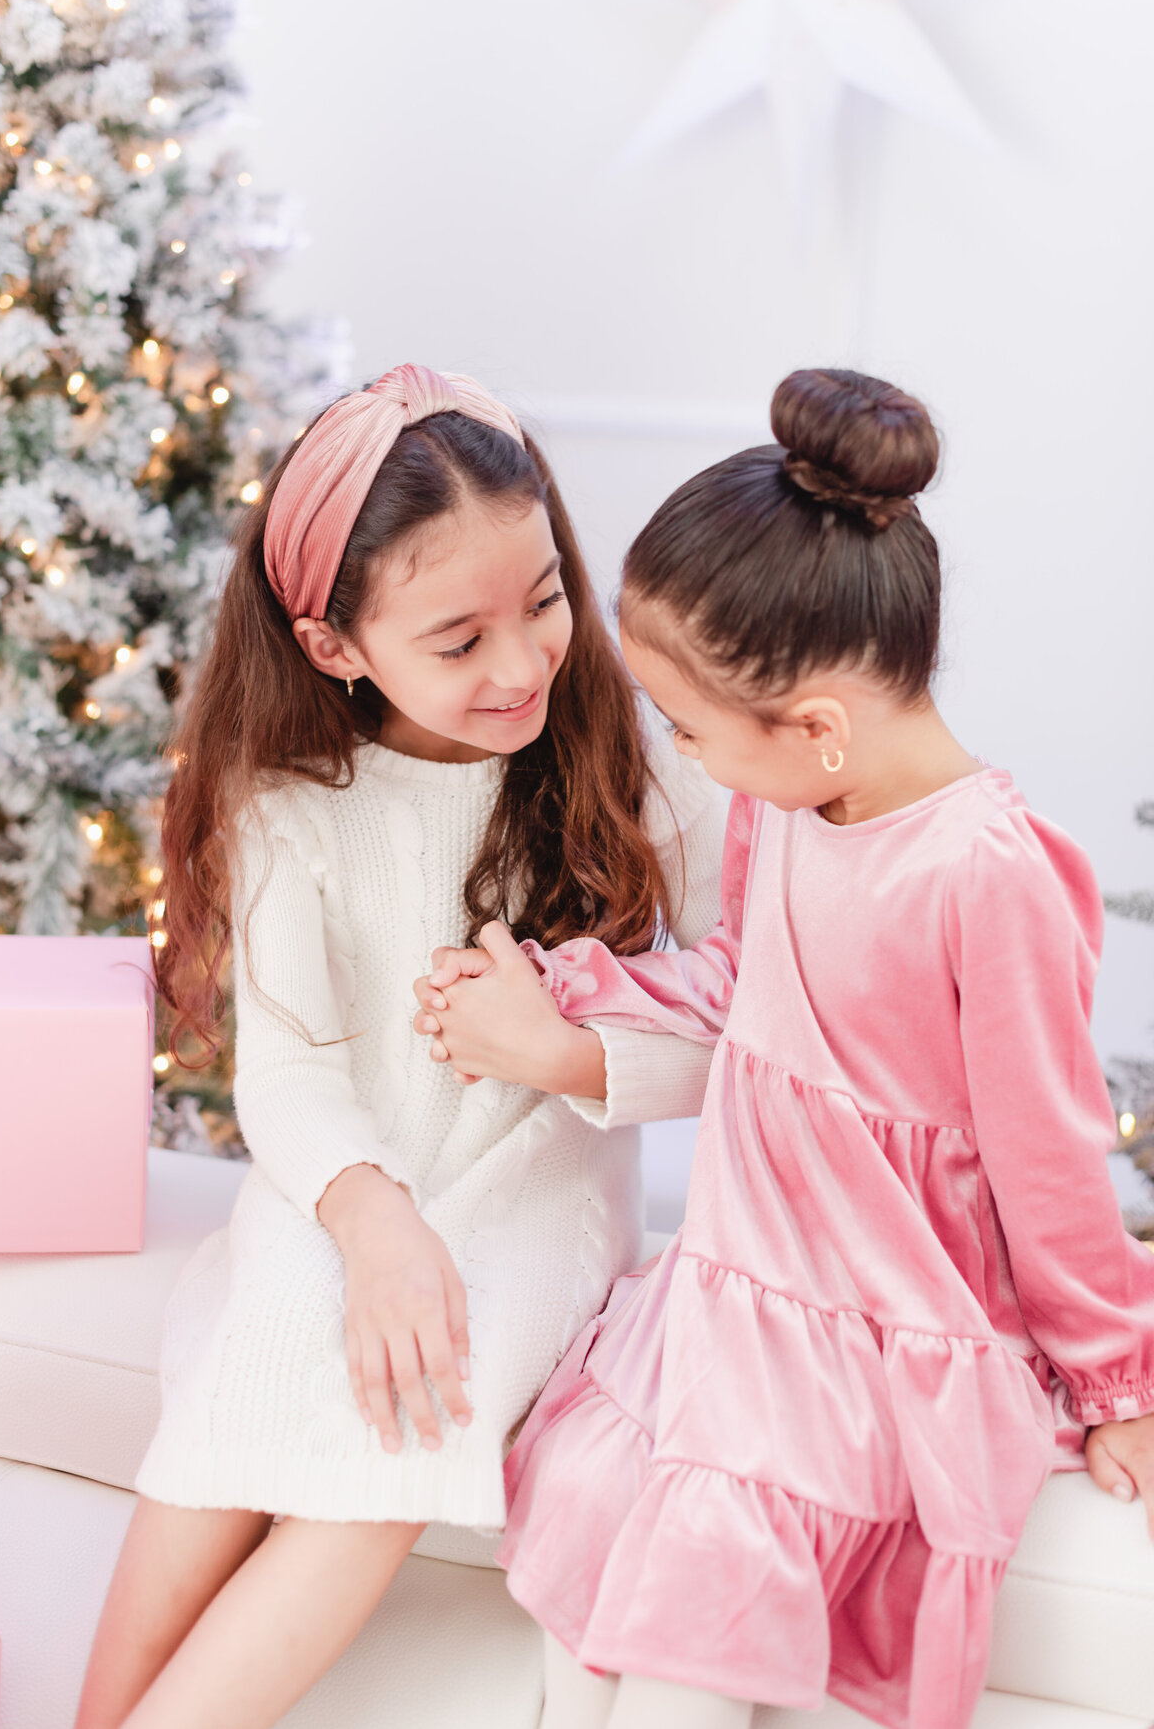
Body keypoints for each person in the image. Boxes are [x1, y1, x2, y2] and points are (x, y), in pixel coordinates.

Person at [412, 367, 1154, 1729]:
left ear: (814, 728)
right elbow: (745, 988)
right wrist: (571, 998)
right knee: (584, 1574)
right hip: (730, 1288)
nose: (679, 752)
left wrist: (1117, 1379)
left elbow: (1052, 1153)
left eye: (689, 727)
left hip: (863, 1334)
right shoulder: (793, 803)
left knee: (687, 1633)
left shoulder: (991, 874)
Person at [74, 364, 726, 1729]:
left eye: (545, 598)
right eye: (458, 636)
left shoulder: (640, 770)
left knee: (409, 1403)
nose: (521, 662)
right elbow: (293, 1068)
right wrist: (370, 1221)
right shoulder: (290, 800)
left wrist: (561, 1053)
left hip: (530, 1199)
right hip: (345, 1186)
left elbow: (741, 1029)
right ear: (335, 646)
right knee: (254, 1368)